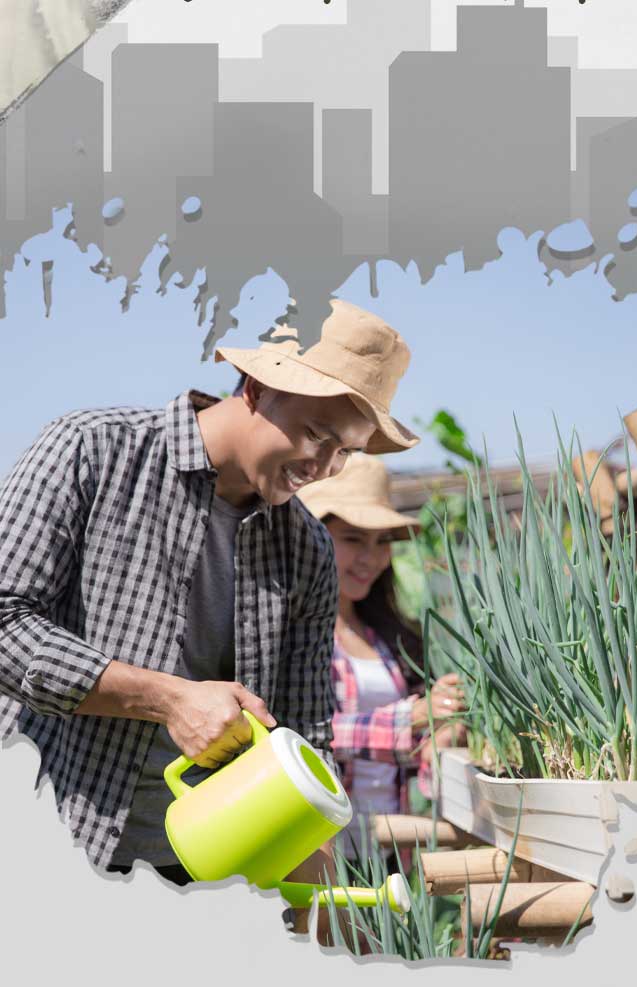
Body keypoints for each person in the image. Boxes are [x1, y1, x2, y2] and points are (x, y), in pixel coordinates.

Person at [0, 300, 419, 883]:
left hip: (199, 872)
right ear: (256, 388)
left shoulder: (307, 551)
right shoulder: (94, 450)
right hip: (39, 839)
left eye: (346, 451)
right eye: (315, 434)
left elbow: (305, 735)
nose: (323, 467)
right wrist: (167, 699)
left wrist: (321, 889)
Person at [299, 453, 466, 858]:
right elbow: (296, 736)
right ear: (312, 535)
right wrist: (411, 717)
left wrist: (440, 733)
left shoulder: (389, 638)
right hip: (317, 853)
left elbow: (407, 752)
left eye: (383, 542)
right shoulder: (291, 633)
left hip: (390, 848)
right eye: (353, 539)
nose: (371, 559)